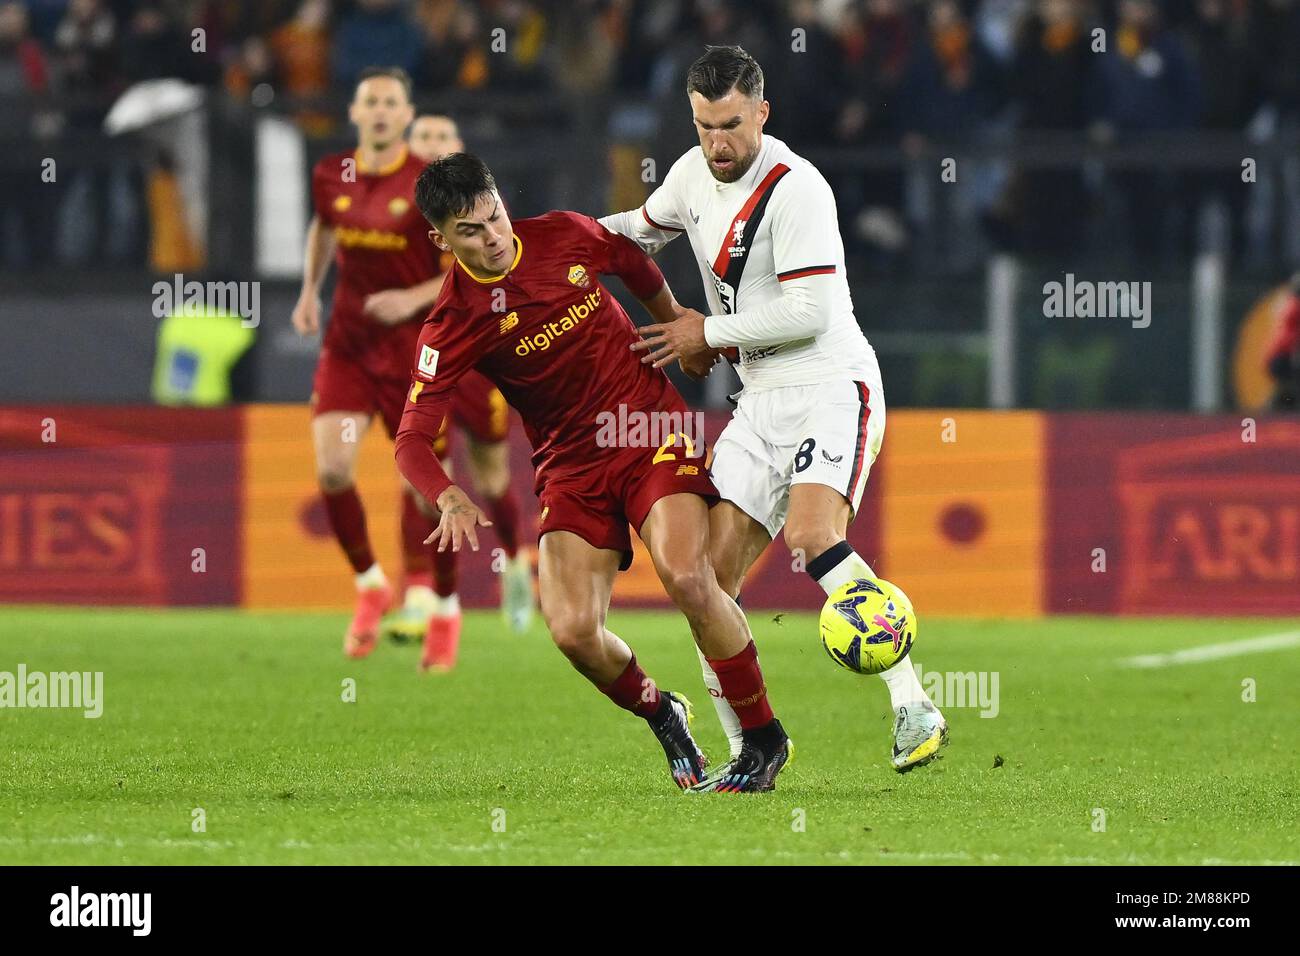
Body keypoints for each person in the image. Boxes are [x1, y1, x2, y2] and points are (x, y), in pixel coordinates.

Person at [601, 45, 948, 776]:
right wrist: (545, 243)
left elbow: (810, 310)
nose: (718, 144)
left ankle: (914, 702)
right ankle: (750, 750)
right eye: (703, 128)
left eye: (730, 125)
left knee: (812, 534)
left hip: (829, 383)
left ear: (762, 112)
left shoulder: (798, 189)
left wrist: (707, 332)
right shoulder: (693, 174)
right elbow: (636, 227)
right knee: (702, 581)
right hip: (757, 401)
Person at [394, 153, 790, 791]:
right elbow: (412, 436)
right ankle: (663, 713)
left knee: (690, 576)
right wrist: (445, 495)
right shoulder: (453, 321)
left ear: (500, 198)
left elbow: (634, 262)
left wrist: (676, 326)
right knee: (574, 632)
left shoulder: (564, 234)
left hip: (647, 427)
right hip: (569, 465)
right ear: (441, 239)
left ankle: (764, 739)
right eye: (471, 231)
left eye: (494, 215)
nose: (494, 236)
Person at [291, 66, 449, 663]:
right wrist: (310, 289)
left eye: (391, 102)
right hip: (349, 344)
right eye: (370, 102)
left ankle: (425, 595)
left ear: (407, 114)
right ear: (355, 112)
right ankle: (370, 584)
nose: (380, 111)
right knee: (332, 470)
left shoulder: (429, 182)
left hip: (414, 348)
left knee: (422, 487)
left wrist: (410, 300)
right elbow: (324, 226)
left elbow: (461, 263)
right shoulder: (332, 171)